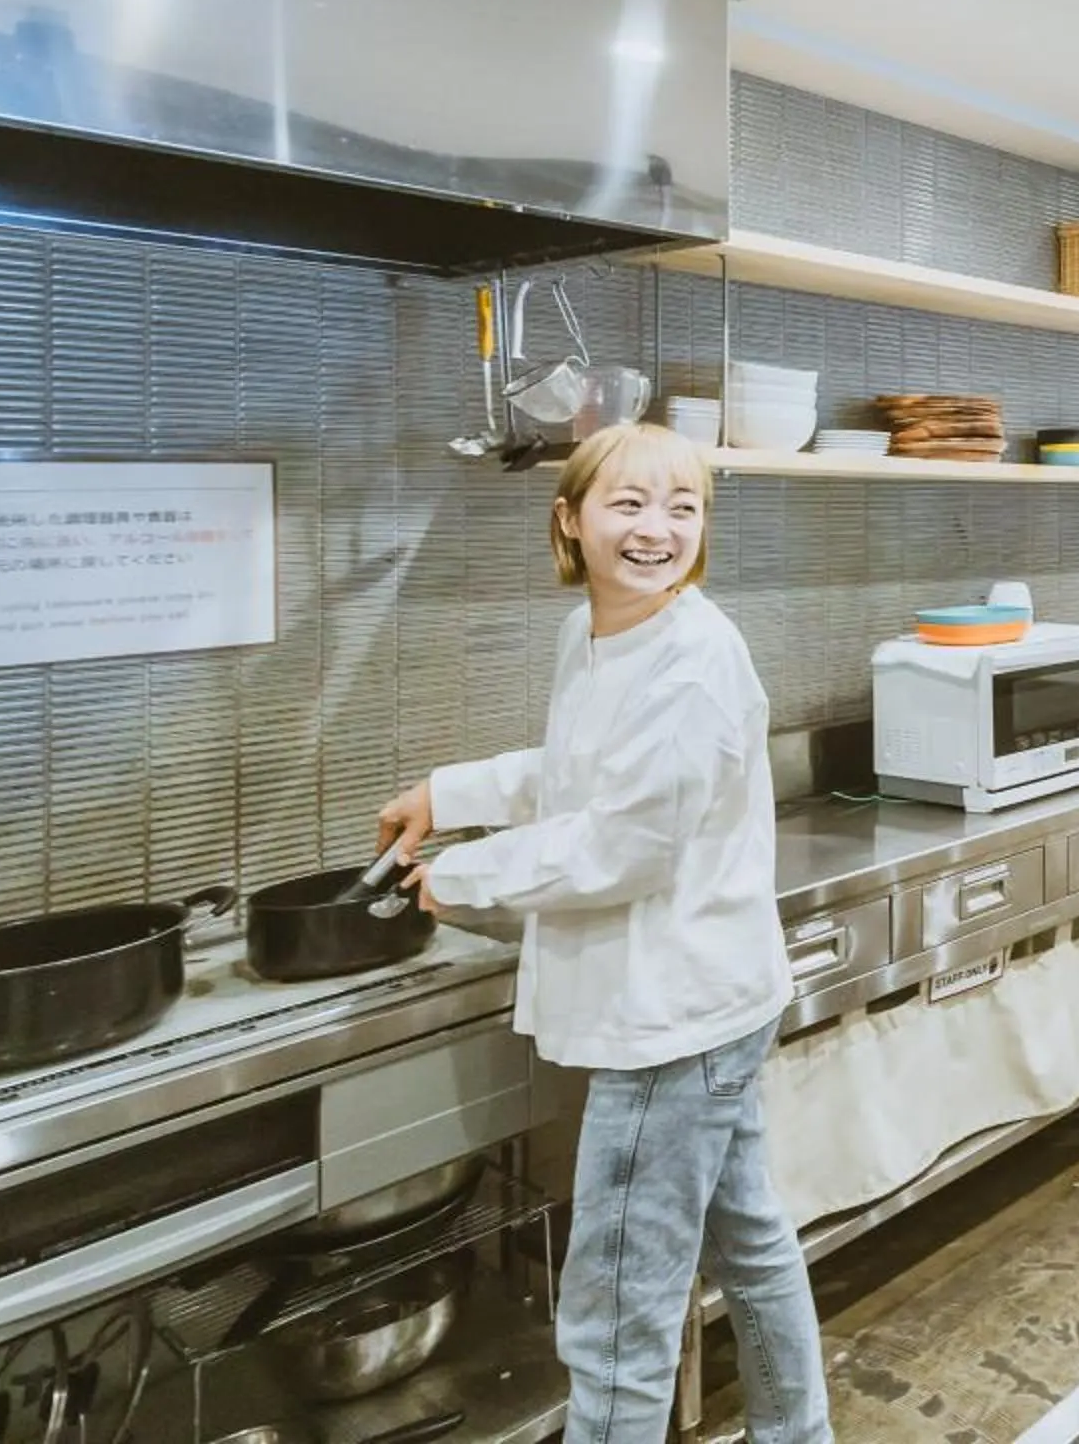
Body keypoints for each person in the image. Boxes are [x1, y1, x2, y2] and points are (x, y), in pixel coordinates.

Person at [376, 423, 832, 1440]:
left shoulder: (697, 657)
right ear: (570, 520)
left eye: (684, 505)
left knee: (618, 1308)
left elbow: (626, 844)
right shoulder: (594, 633)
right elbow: (576, 768)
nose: (657, 527)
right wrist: (447, 795)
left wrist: (463, 876)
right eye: (628, 502)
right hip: (698, 1003)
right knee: (748, 1242)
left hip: (672, 1020)